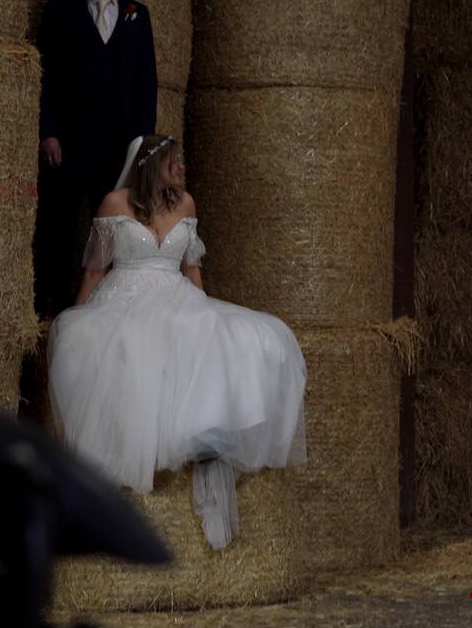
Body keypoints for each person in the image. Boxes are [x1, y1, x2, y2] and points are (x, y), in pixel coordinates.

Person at [47, 135, 306, 549]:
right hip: (125, 296)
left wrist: (205, 310)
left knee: (252, 335)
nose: (181, 166)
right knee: (125, 346)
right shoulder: (114, 203)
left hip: (175, 293)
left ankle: (207, 443)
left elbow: (192, 270)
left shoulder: (185, 204)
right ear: (153, 163)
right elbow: (95, 271)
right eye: (174, 160)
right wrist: (77, 318)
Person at [34, 0, 159, 312]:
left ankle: (111, 303)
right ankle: (49, 301)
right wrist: (49, 131)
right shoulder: (59, 12)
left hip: (119, 144)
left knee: (115, 225)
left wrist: (142, 146)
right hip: (70, 140)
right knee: (60, 221)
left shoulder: (137, 14)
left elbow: (146, 82)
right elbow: (47, 77)